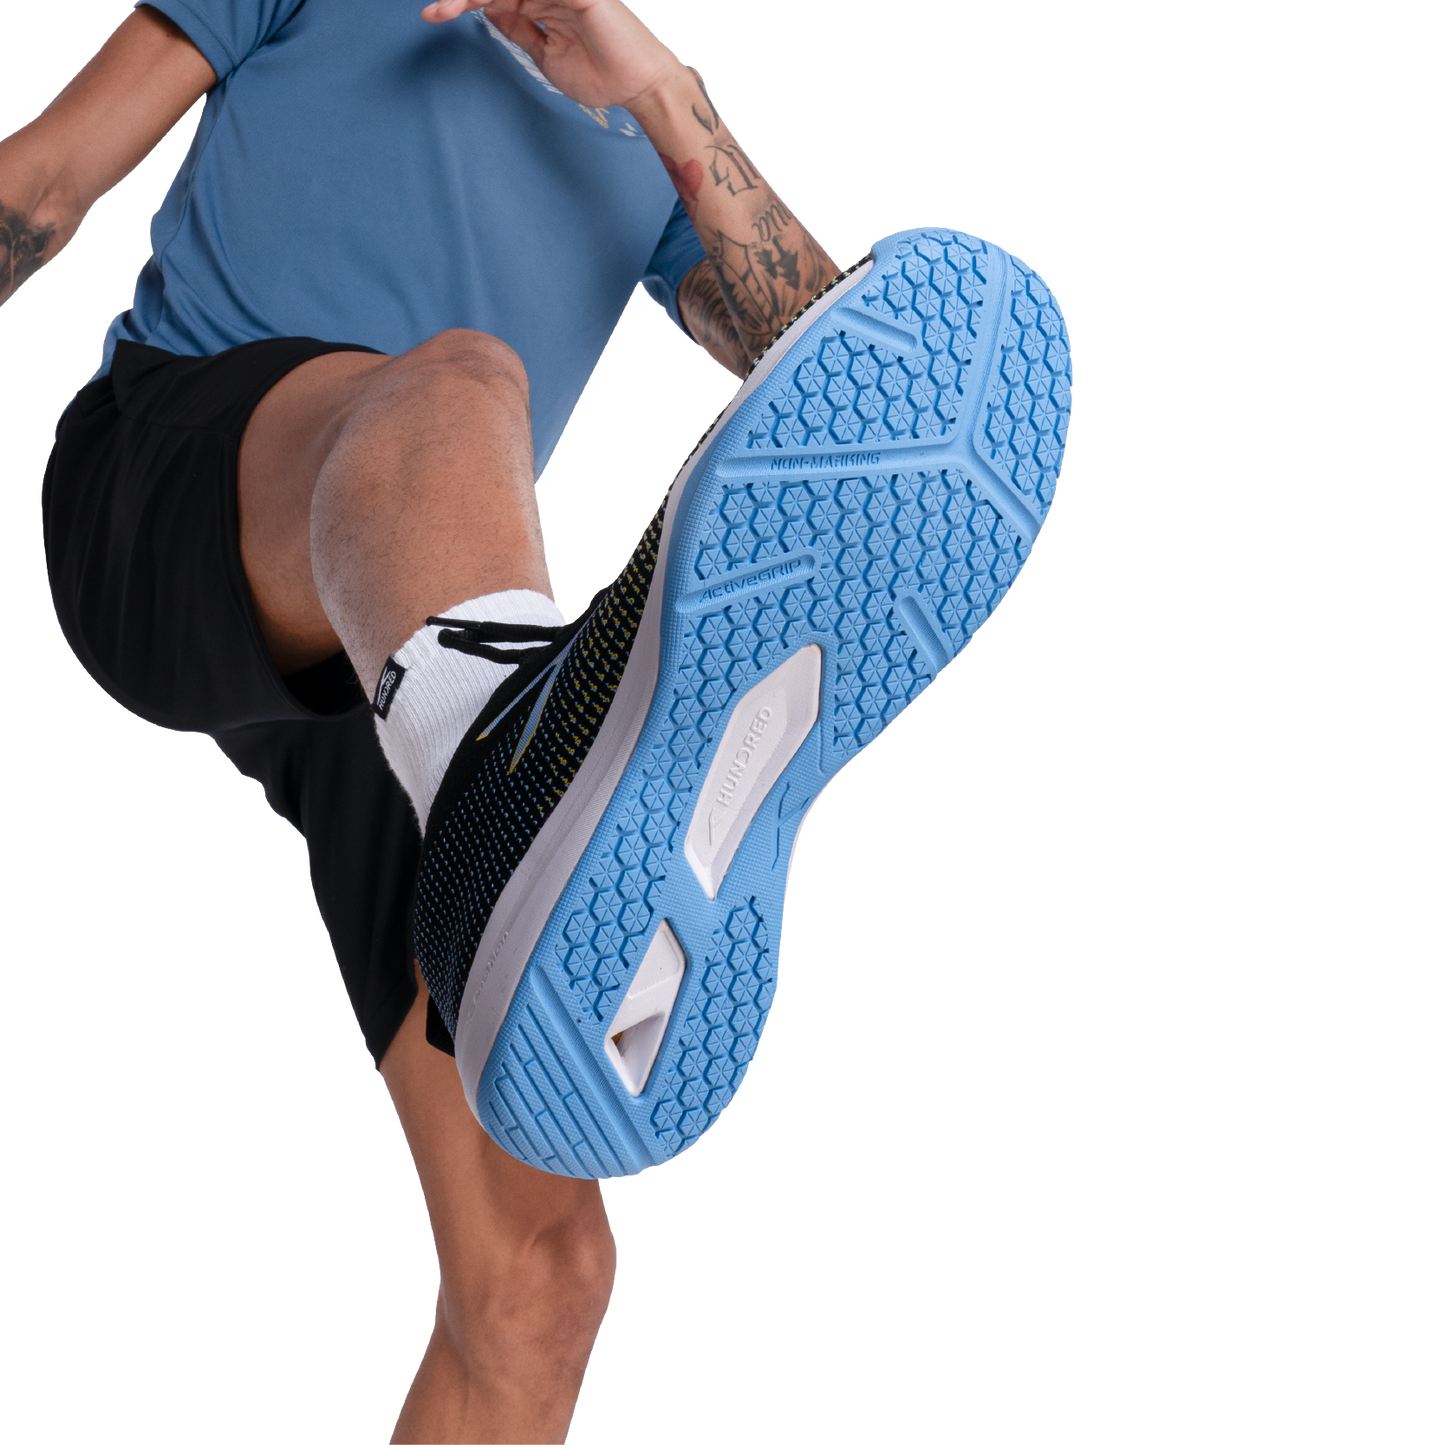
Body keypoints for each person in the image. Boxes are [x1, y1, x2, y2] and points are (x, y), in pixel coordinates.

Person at [5, 1, 1073, 1438]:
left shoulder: (627, 101)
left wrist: (659, 91)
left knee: (538, 1283)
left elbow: (859, 410)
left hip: (406, 630)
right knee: (461, 378)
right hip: (171, 487)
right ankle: (528, 759)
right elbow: (36, 189)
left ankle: (521, 777)